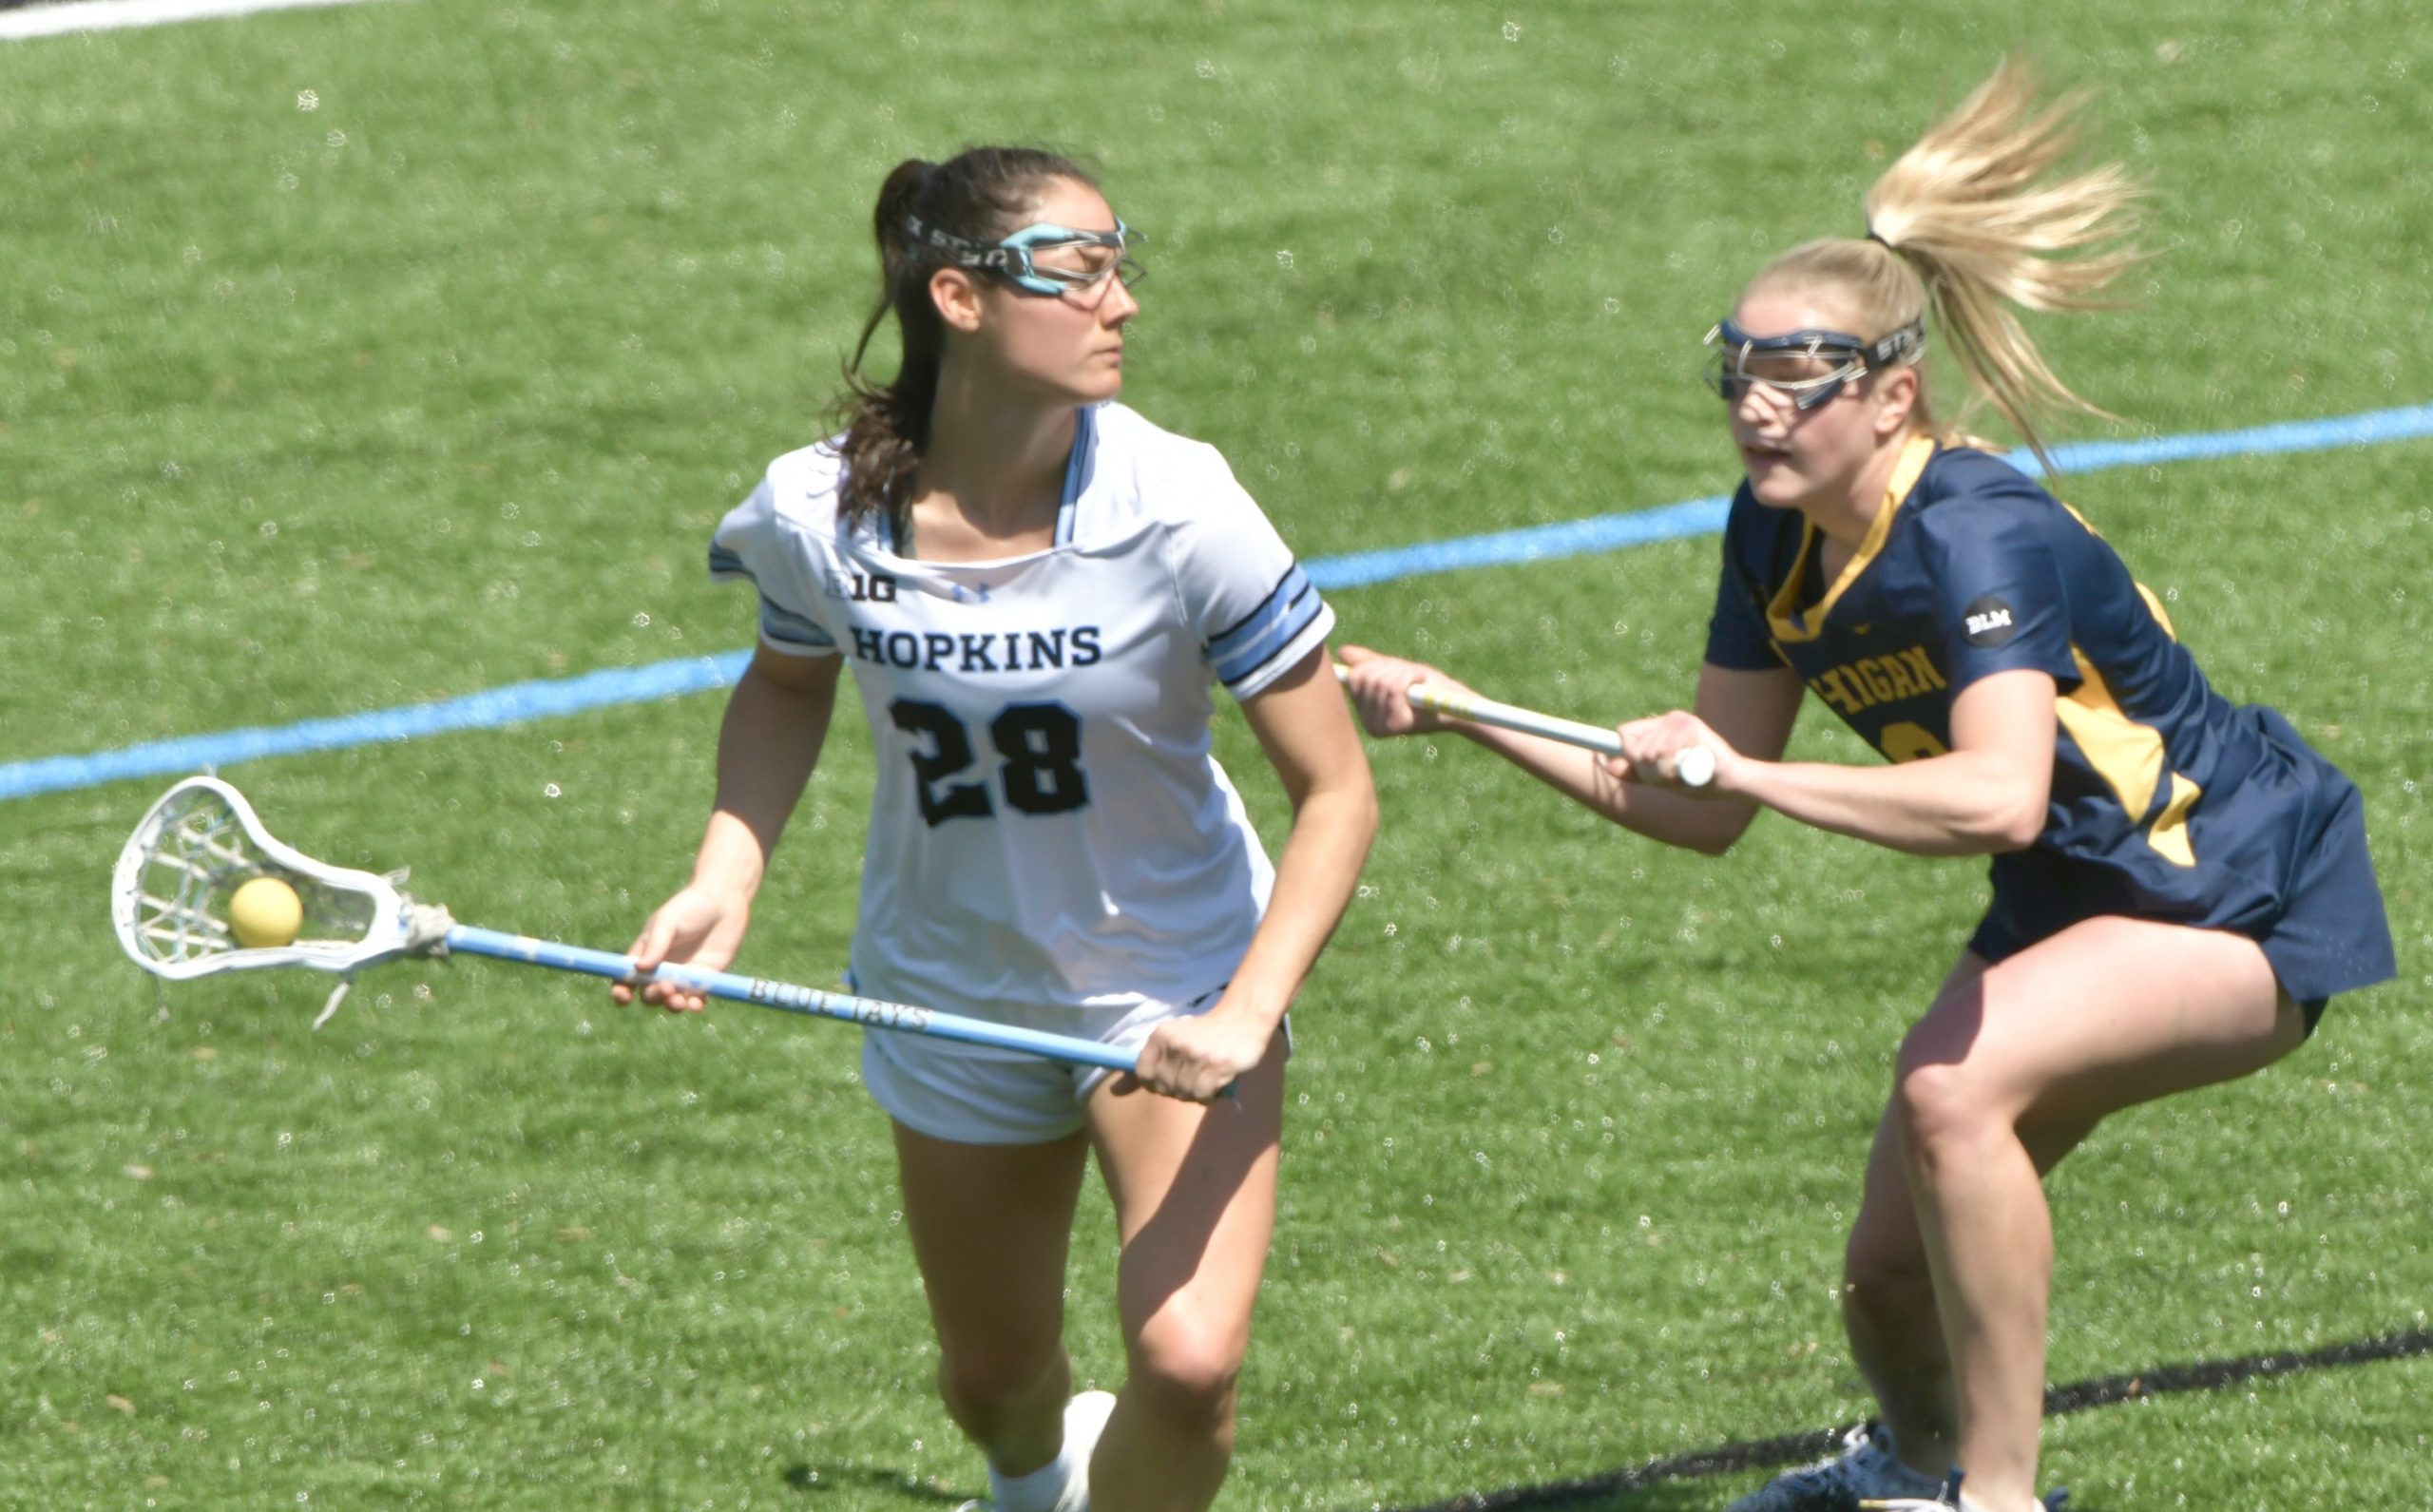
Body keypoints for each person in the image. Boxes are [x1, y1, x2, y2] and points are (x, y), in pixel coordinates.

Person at [1338, 59, 2393, 1512]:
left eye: (1795, 381)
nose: (1756, 412)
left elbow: (1997, 799)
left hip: (2229, 895)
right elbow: (1698, 805)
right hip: (2073, 904)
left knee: (1952, 1088)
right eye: (1741, 376)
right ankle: (1912, 1457)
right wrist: (1466, 718)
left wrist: (1758, 776)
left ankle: (2000, 1501)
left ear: (1893, 395)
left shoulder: (1978, 535)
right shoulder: (1771, 536)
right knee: (1889, 1271)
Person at [616, 145, 1377, 1512]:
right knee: (992, 1380)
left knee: (1191, 1363)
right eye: (1080, 270)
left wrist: (1248, 1012)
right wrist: (724, 874)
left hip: (1174, 980)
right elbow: (786, 684)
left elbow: (1337, 793)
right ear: (960, 297)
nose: (1121, 300)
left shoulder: (1181, 505)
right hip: (950, 984)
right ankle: (1032, 1486)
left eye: (1119, 262)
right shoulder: (819, 511)